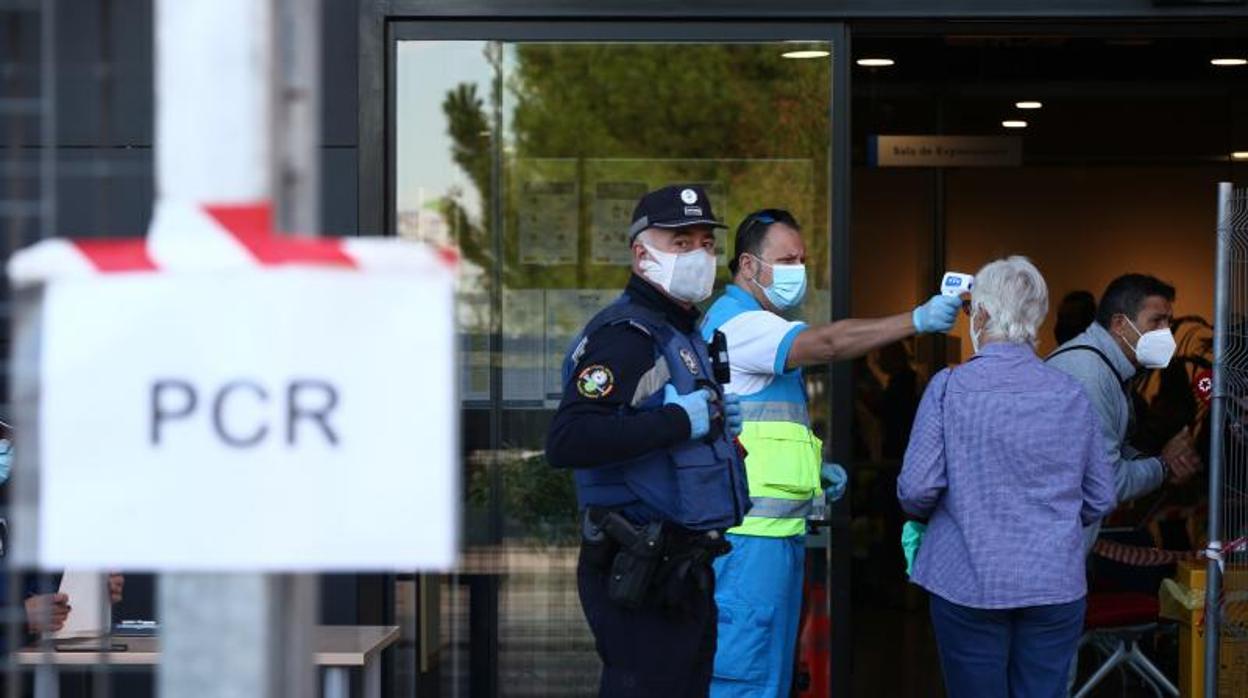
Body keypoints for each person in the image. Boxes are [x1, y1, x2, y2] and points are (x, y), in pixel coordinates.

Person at [700, 208, 961, 698]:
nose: (798, 269)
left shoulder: (751, 322)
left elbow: (758, 426)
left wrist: (810, 468)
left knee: (769, 677)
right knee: (745, 679)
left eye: (802, 258)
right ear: (749, 266)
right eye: (786, 259)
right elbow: (830, 342)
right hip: (749, 540)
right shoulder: (743, 325)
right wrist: (917, 319)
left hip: (769, 535)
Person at [546, 184, 749, 698]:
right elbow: (569, 439)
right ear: (642, 254)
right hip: (635, 564)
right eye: (680, 243)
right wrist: (680, 422)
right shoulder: (626, 335)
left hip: (679, 568)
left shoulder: (679, 332)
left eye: (705, 243)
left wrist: (715, 425)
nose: (699, 255)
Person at [897, 256, 1117, 698]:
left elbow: (916, 489)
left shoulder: (948, 388)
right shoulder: (1071, 393)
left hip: (967, 580)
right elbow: (1101, 495)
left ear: (980, 315)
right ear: (1036, 317)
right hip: (1054, 582)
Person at [1047, 274, 1202, 548]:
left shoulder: (1107, 368)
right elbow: (1108, 482)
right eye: (1156, 321)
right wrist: (1165, 465)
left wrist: (1162, 461)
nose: (1167, 333)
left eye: (1168, 321)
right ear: (1120, 324)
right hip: (1048, 554)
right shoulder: (1090, 376)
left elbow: (1111, 447)